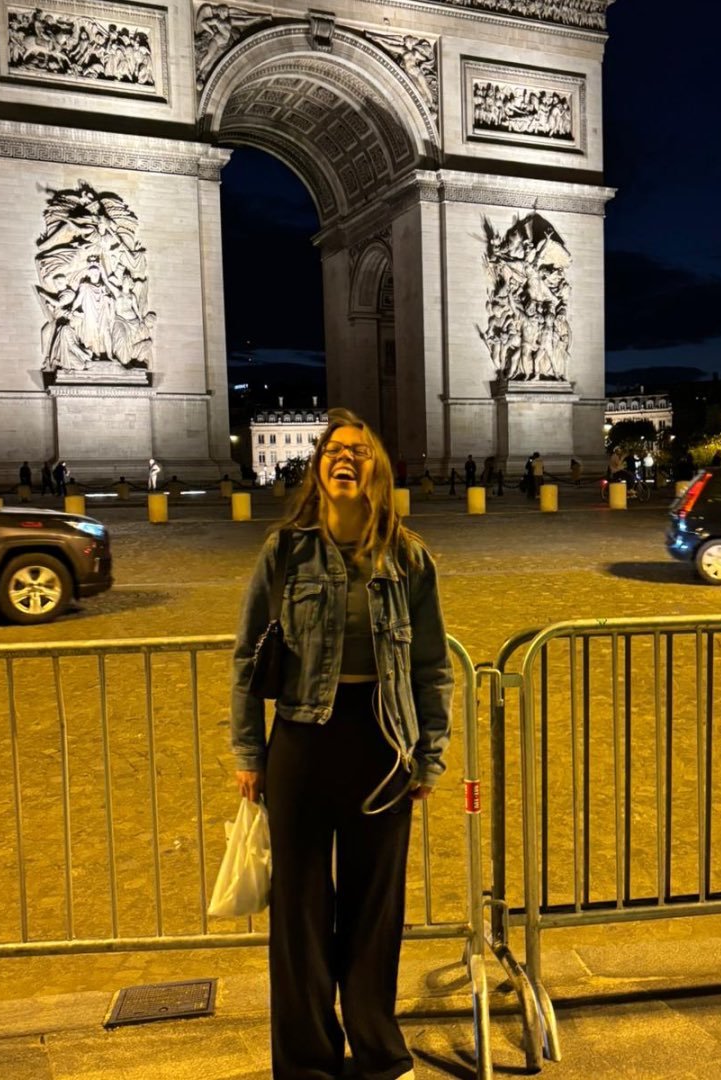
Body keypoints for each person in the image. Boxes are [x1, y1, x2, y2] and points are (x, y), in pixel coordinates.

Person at [230, 408, 452, 1080]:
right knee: (297, 914)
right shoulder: (284, 551)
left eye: (359, 451)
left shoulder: (408, 556)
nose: (345, 459)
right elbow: (247, 658)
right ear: (318, 468)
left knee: (374, 910)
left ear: (376, 470)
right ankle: (307, 1065)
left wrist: (430, 753)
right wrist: (249, 753)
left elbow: (432, 665)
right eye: (334, 450)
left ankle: (379, 1053)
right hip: (300, 741)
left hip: (383, 743)